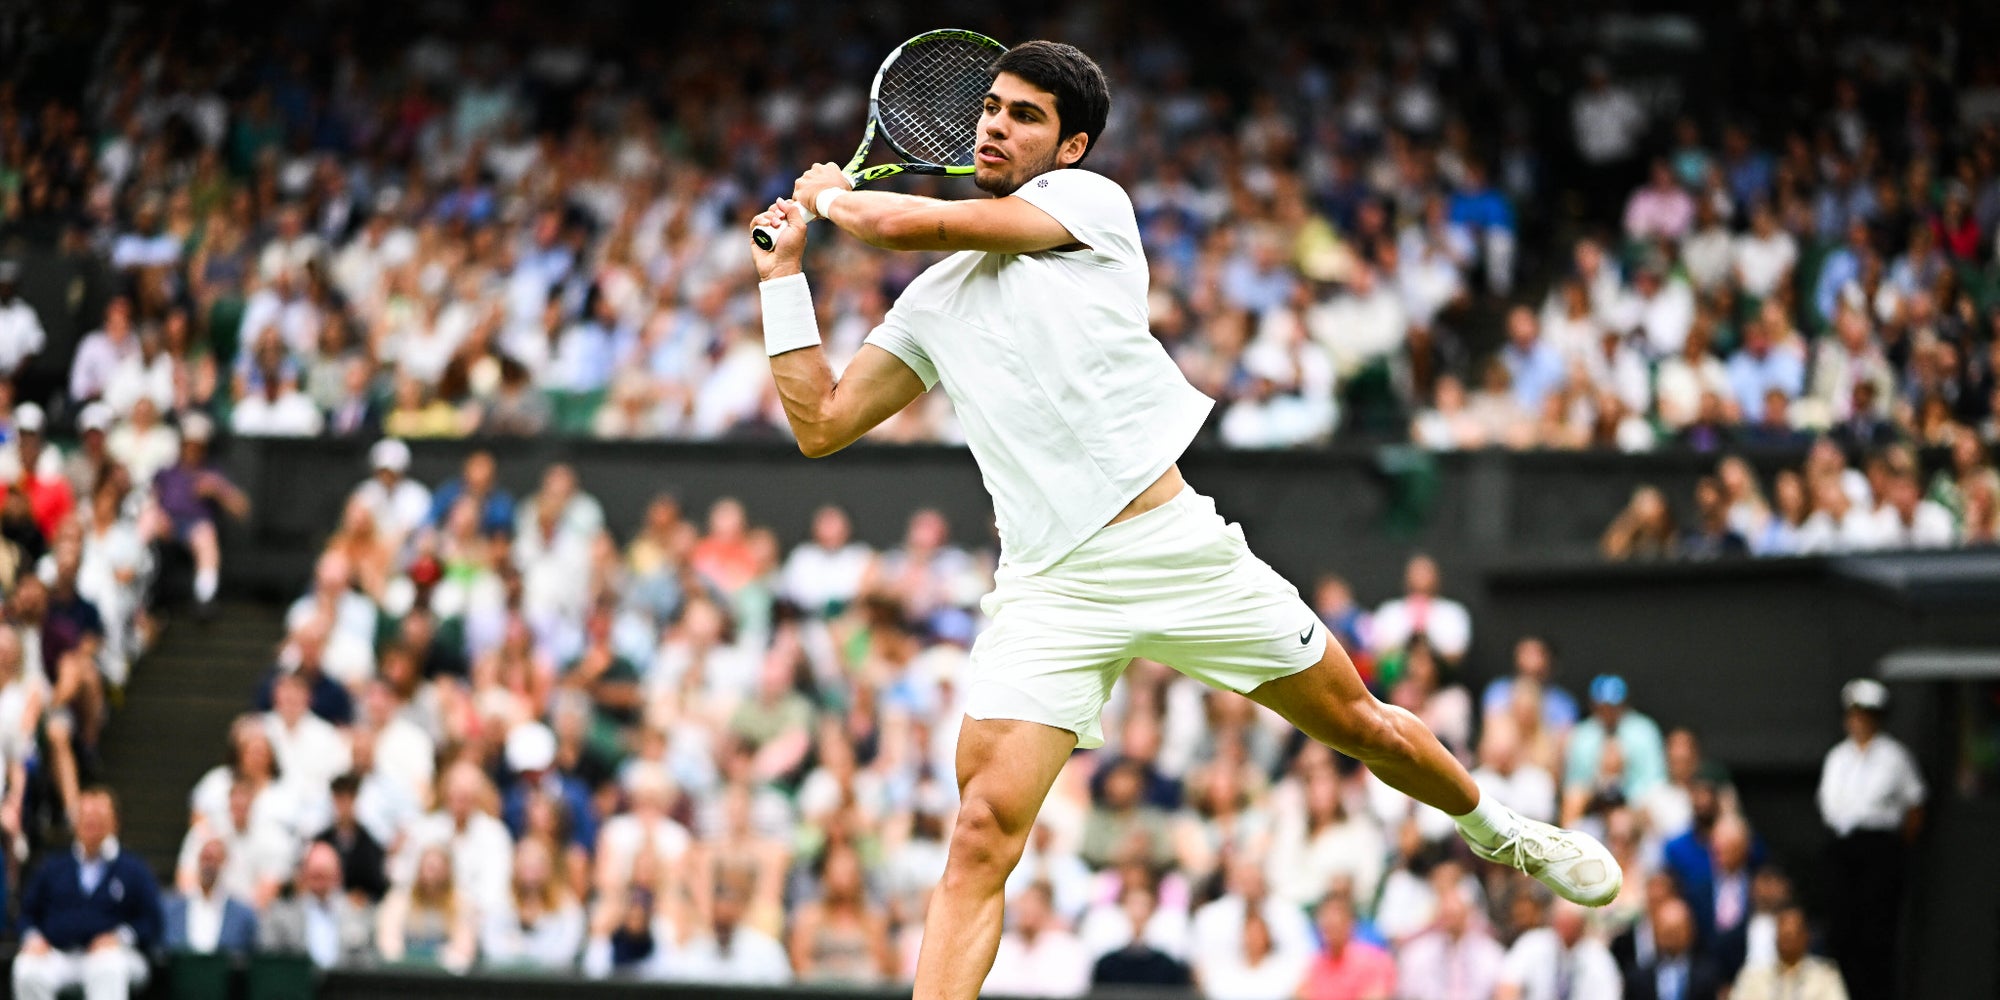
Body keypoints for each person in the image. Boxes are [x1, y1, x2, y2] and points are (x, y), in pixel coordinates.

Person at [750, 41, 1619, 1000]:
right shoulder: (931, 303)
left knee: (1362, 727)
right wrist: (783, 276)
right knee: (980, 836)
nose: (995, 124)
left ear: (1071, 145)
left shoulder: (1088, 209)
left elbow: (904, 221)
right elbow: (821, 422)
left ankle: (1500, 828)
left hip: (1174, 550)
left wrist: (831, 199)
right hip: (1050, 592)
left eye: (1024, 115)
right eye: (990, 108)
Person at [1816, 678, 1923, 1000]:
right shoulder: (1837, 757)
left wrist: (1895, 849)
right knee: (1842, 933)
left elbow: (1915, 807)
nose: (1858, 721)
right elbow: (1829, 806)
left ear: (1877, 718)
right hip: (1843, 850)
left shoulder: (1895, 757)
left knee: (1877, 936)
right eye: (1853, 714)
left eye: (1865, 714)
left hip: (1880, 851)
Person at [14, 788, 164, 1000]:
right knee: (26, 969)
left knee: (107, 967)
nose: (91, 823)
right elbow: (27, 913)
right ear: (75, 822)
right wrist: (33, 938)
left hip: (114, 956)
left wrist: (120, 937)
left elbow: (152, 921)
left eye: (99, 817)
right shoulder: (53, 867)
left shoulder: (134, 870)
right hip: (59, 954)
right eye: (85, 816)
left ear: (115, 822)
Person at [261, 841, 376, 969]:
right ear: (304, 874)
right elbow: (269, 960)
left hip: (344, 985)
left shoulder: (358, 915)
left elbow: (368, 963)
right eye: (315, 875)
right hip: (296, 985)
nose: (320, 882)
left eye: (324, 875)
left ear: (338, 875)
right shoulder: (281, 915)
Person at [1496, 897, 1621, 1000]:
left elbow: (1609, 993)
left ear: (1582, 925)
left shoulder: (1598, 956)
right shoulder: (1532, 944)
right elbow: (1507, 985)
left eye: (1571, 923)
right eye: (1562, 920)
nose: (1564, 928)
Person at [161, 837, 260, 957]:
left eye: (214, 860)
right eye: (205, 859)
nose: (208, 866)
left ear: (225, 863)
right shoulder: (171, 909)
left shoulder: (243, 915)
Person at [1730, 906, 1849, 1000]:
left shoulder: (1825, 976)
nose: (1787, 942)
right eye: (1784, 936)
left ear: (1805, 937)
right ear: (1775, 937)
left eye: (1792, 936)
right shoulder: (1752, 976)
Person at [1297, 894, 1395, 1000]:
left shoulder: (1376, 960)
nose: (1329, 921)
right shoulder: (1315, 964)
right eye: (1325, 916)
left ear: (1351, 922)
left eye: (1336, 915)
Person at [1625, 897, 1722, 1000]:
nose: (1671, 938)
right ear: (1655, 933)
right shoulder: (1637, 978)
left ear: (1689, 931)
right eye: (1666, 932)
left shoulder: (1708, 975)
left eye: (1676, 931)